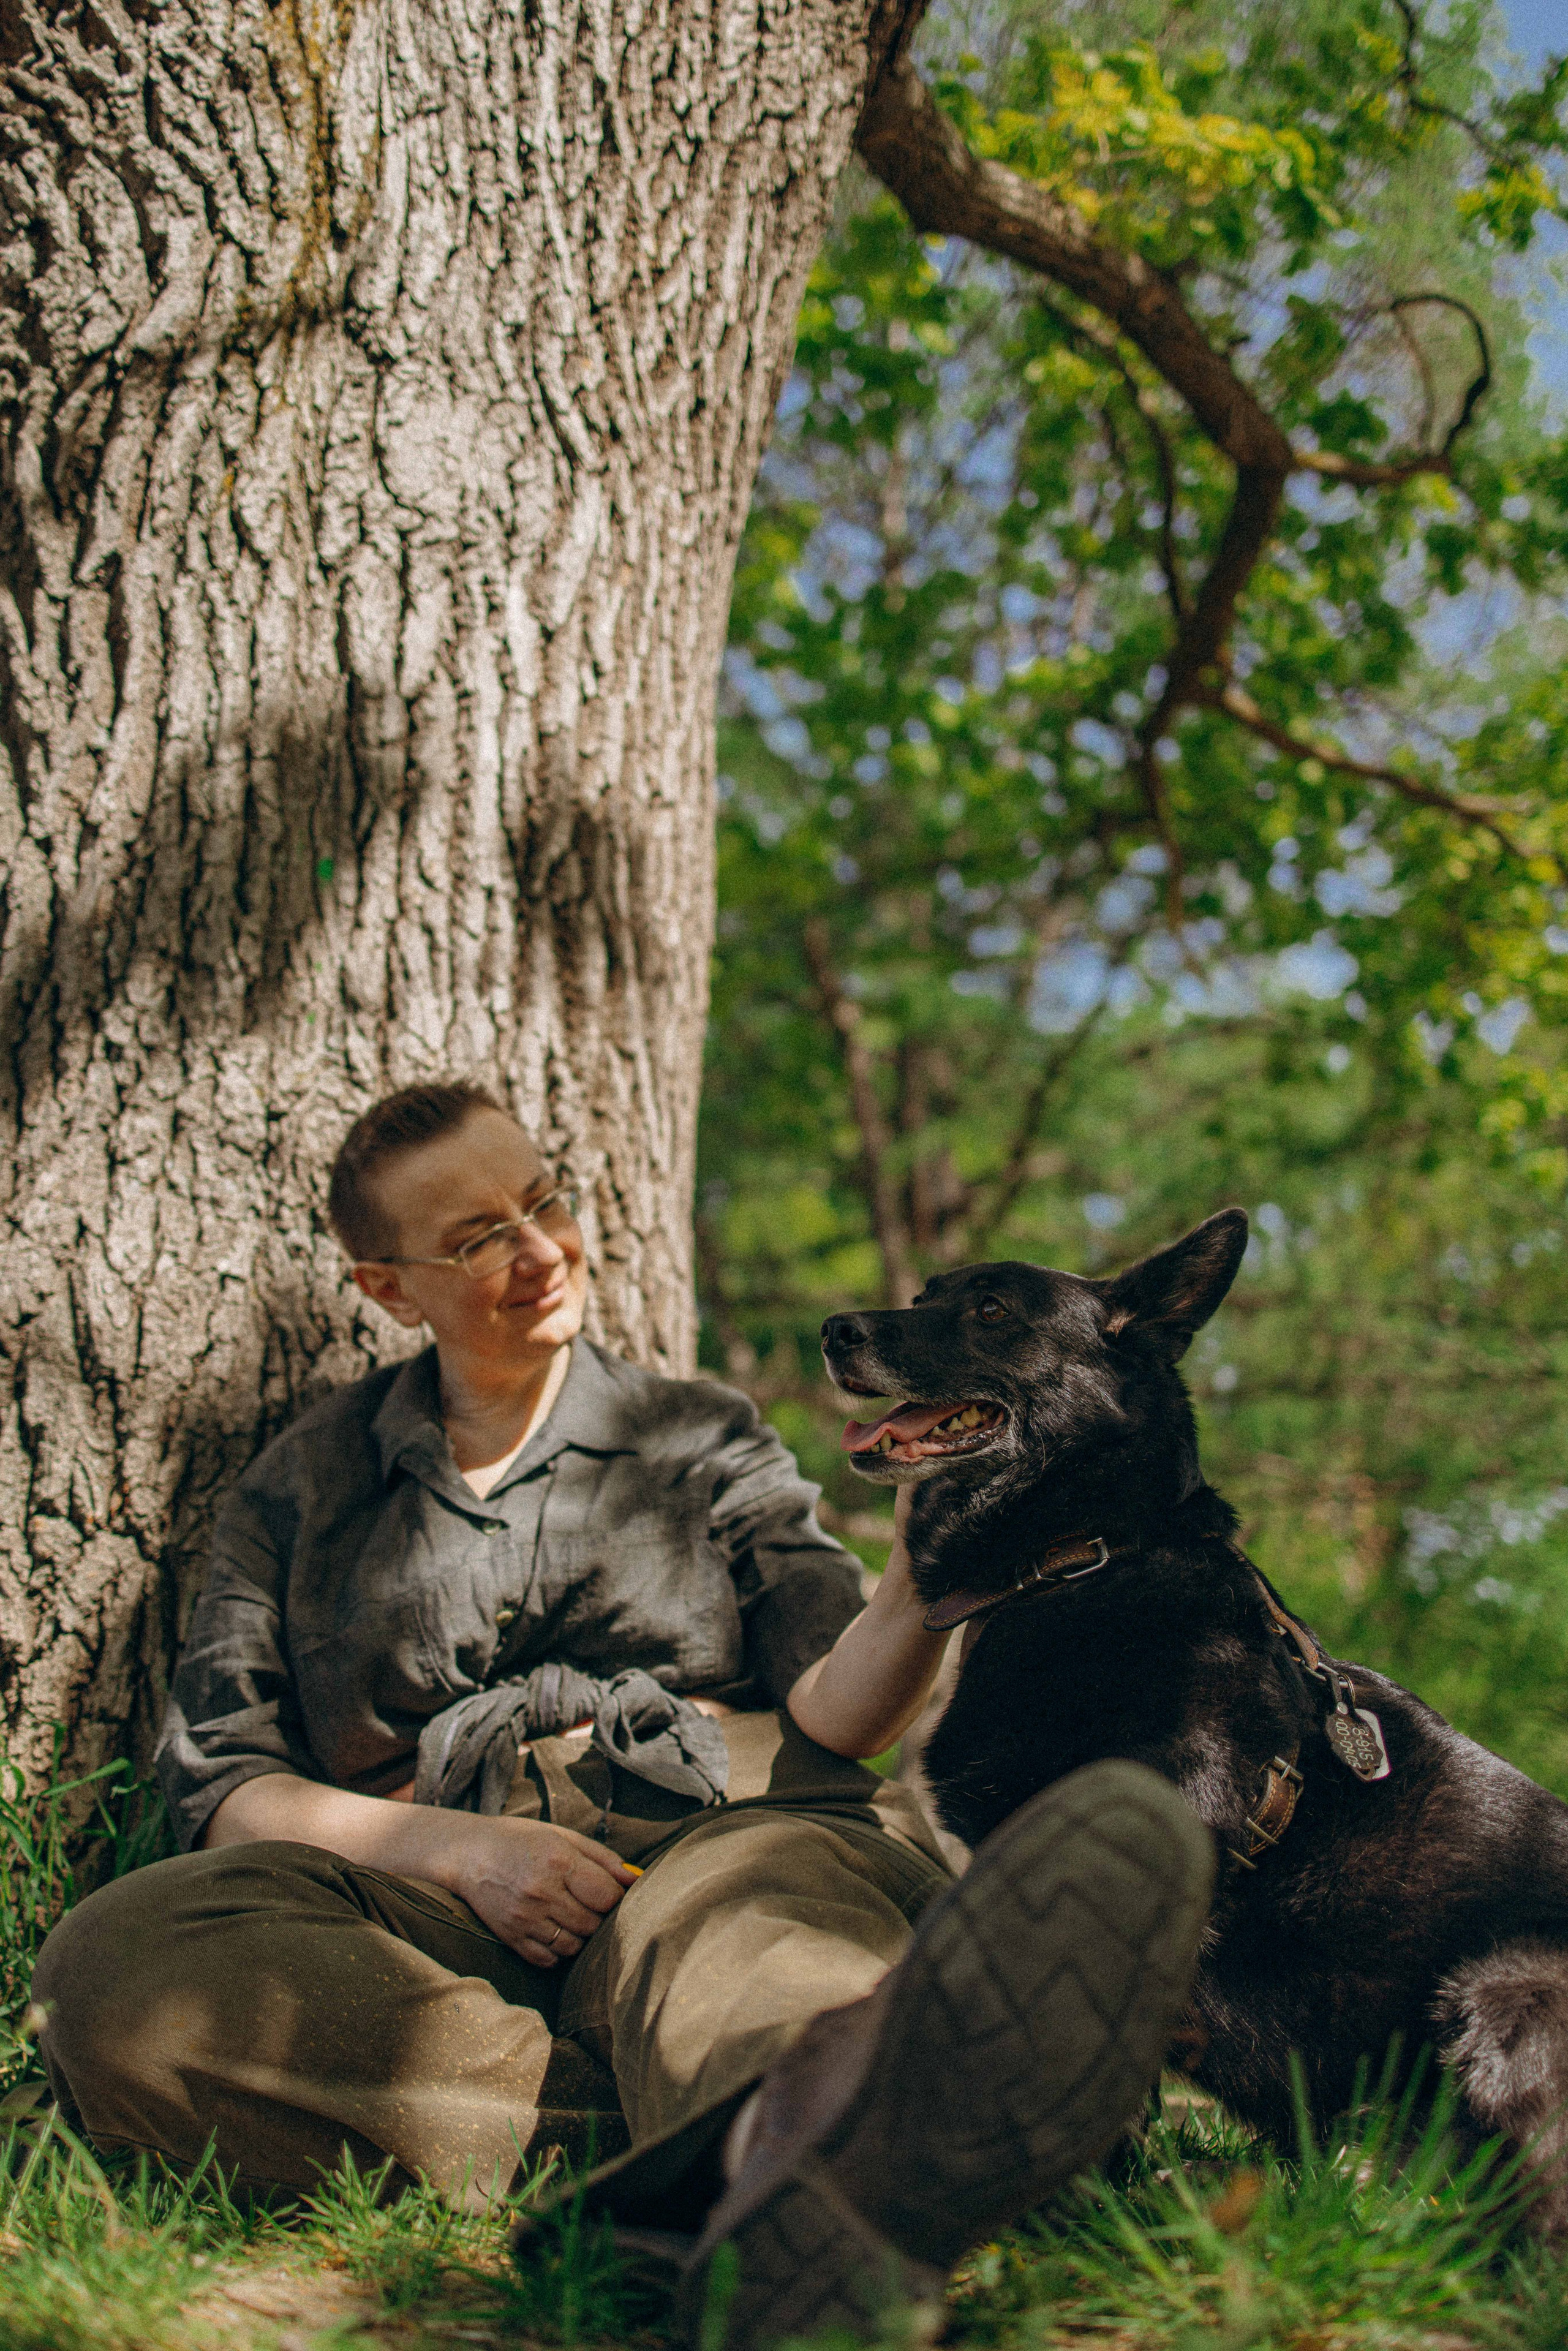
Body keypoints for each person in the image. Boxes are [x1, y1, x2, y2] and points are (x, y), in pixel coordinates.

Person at [32, 1082, 1213, 2350]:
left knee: (744, 1931)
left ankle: (792, 2158)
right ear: (388, 1288)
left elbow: (837, 1705)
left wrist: (922, 1578)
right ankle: (851, 2123)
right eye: (478, 1237)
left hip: (723, 1829)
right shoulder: (302, 1484)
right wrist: (462, 1850)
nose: (540, 1251)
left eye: (543, 1201)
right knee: (117, 1963)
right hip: (432, 1918)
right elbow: (226, 1783)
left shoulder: (698, 1432)